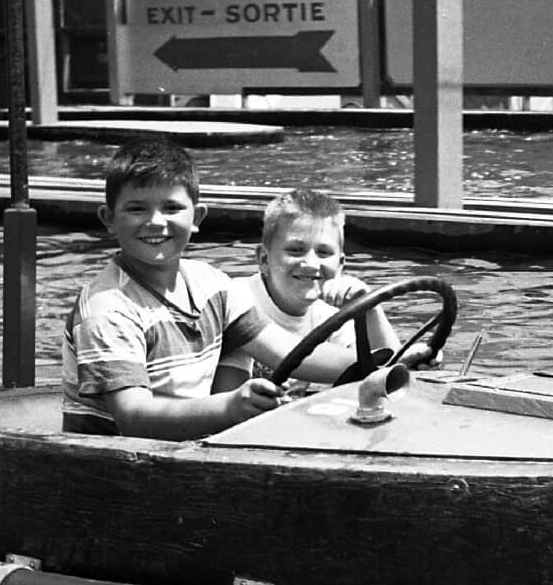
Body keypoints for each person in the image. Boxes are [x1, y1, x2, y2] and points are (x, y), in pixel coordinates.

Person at [61, 138, 369, 440]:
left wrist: (381, 365)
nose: (155, 222)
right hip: (118, 464)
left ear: (196, 217)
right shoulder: (107, 309)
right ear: (109, 219)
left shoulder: (211, 285)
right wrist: (232, 406)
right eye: (136, 209)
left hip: (188, 449)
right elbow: (134, 417)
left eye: (171, 207)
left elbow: (287, 350)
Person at [213, 187, 397, 395]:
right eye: (295, 250)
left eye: (324, 252)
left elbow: (391, 374)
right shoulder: (238, 301)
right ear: (264, 259)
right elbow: (230, 402)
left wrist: (370, 306)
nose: (311, 263)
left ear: (341, 264)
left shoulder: (333, 318)